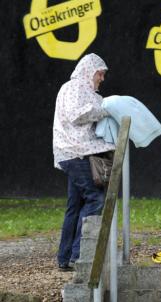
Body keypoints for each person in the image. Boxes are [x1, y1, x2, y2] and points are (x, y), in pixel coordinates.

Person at [53, 53, 115, 271]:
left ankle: (65, 257)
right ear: (90, 71)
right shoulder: (74, 87)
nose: (102, 79)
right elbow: (75, 114)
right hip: (76, 152)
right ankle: (79, 255)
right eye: (100, 73)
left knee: (75, 205)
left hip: (76, 152)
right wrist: (106, 110)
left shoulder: (86, 91)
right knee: (95, 199)